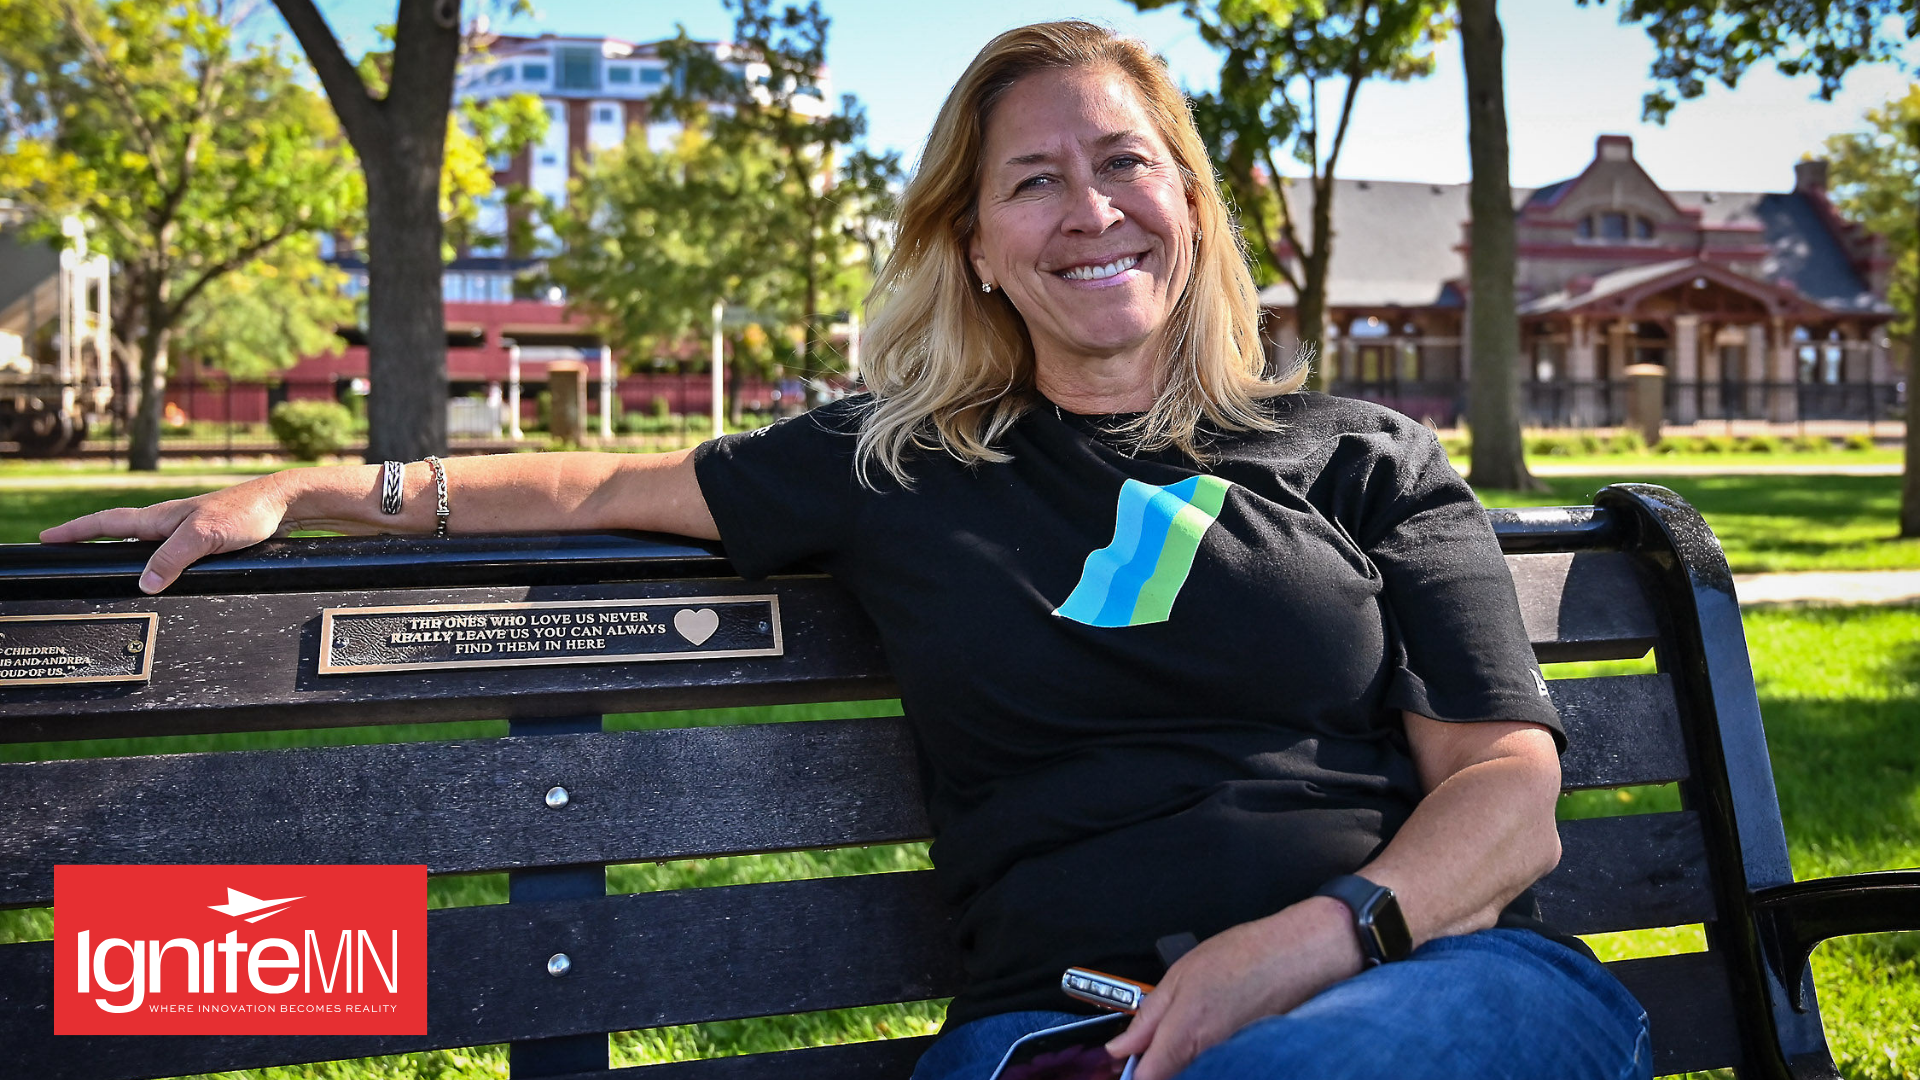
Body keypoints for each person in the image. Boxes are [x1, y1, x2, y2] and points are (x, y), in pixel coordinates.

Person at [43, 20, 1650, 1080]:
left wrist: (1299, 952)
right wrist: (320, 488)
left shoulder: (1363, 459)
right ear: (977, 247)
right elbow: (597, 479)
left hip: (1425, 999)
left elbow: (1506, 796)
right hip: (1059, 1032)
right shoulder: (899, 465)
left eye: (1123, 164)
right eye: (1034, 181)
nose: (1090, 210)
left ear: (1192, 206)